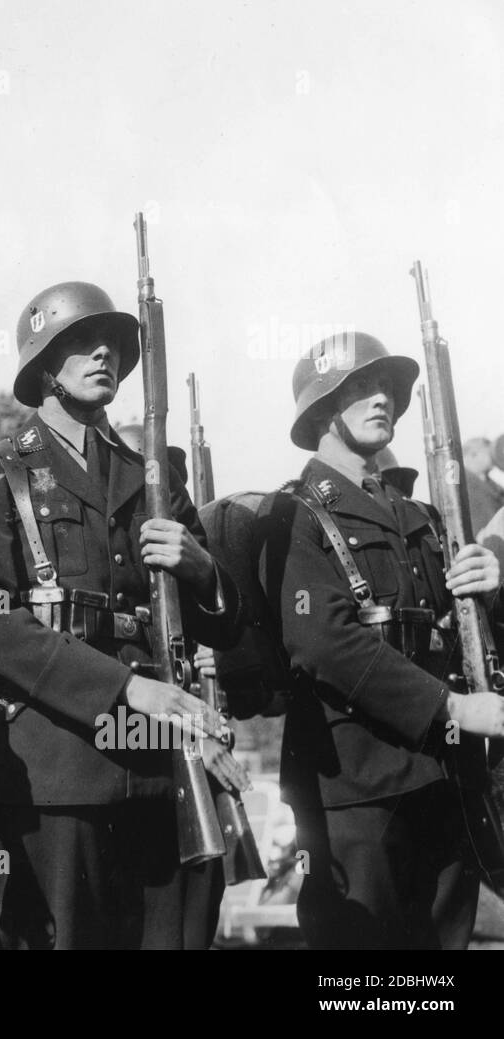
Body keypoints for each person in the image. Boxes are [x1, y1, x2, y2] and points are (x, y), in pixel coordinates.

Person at [0, 281, 244, 950]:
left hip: (156, 762)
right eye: (81, 342)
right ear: (44, 366)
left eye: (115, 346)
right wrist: (128, 690)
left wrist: (203, 571)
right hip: (54, 768)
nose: (104, 354)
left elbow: (217, 625)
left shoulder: (150, 478)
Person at [261, 331, 504, 949]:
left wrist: (492, 588)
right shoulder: (296, 515)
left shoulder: (418, 516)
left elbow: (461, 634)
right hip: (352, 784)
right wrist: (451, 709)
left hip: (442, 776)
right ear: (321, 410)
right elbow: (324, 643)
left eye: (389, 389)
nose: (384, 400)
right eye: (361, 388)